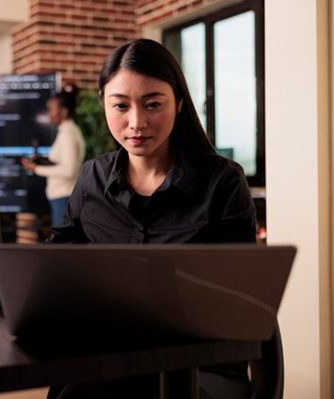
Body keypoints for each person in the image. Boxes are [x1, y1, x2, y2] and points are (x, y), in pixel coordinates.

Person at [46, 39, 256, 398]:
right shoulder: (92, 179)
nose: (136, 123)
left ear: (179, 104)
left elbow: (240, 301)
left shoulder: (222, 182)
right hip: (115, 358)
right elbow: (49, 267)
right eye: (120, 106)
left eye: (153, 104)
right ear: (104, 106)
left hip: (202, 366)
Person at [22, 85, 86, 227]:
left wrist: (37, 169)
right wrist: (42, 161)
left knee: (62, 247)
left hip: (64, 198)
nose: (49, 113)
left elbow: (69, 170)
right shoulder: (66, 131)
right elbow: (61, 162)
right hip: (62, 198)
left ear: (63, 112)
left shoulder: (68, 134)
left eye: (51, 109)